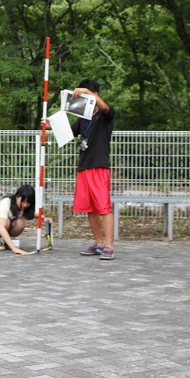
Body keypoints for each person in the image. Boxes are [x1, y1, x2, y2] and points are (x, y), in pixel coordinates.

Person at [70, 78, 117, 260]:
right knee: (90, 209)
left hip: (99, 167)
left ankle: (109, 246)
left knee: (103, 207)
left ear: (94, 95)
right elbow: (67, 132)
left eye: (86, 95)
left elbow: (105, 107)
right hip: (84, 168)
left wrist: (87, 93)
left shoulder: (105, 115)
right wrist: (49, 124)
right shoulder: (83, 118)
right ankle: (98, 243)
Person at [0, 184, 35, 255]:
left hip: (1, 224)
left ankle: (7, 241)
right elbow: (1, 227)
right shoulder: (6, 202)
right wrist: (14, 248)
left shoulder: (22, 207)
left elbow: (34, 214)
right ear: (17, 196)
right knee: (6, 222)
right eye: (23, 202)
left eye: (28, 203)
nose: (24, 205)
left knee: (21, 222)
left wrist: (44, 218)